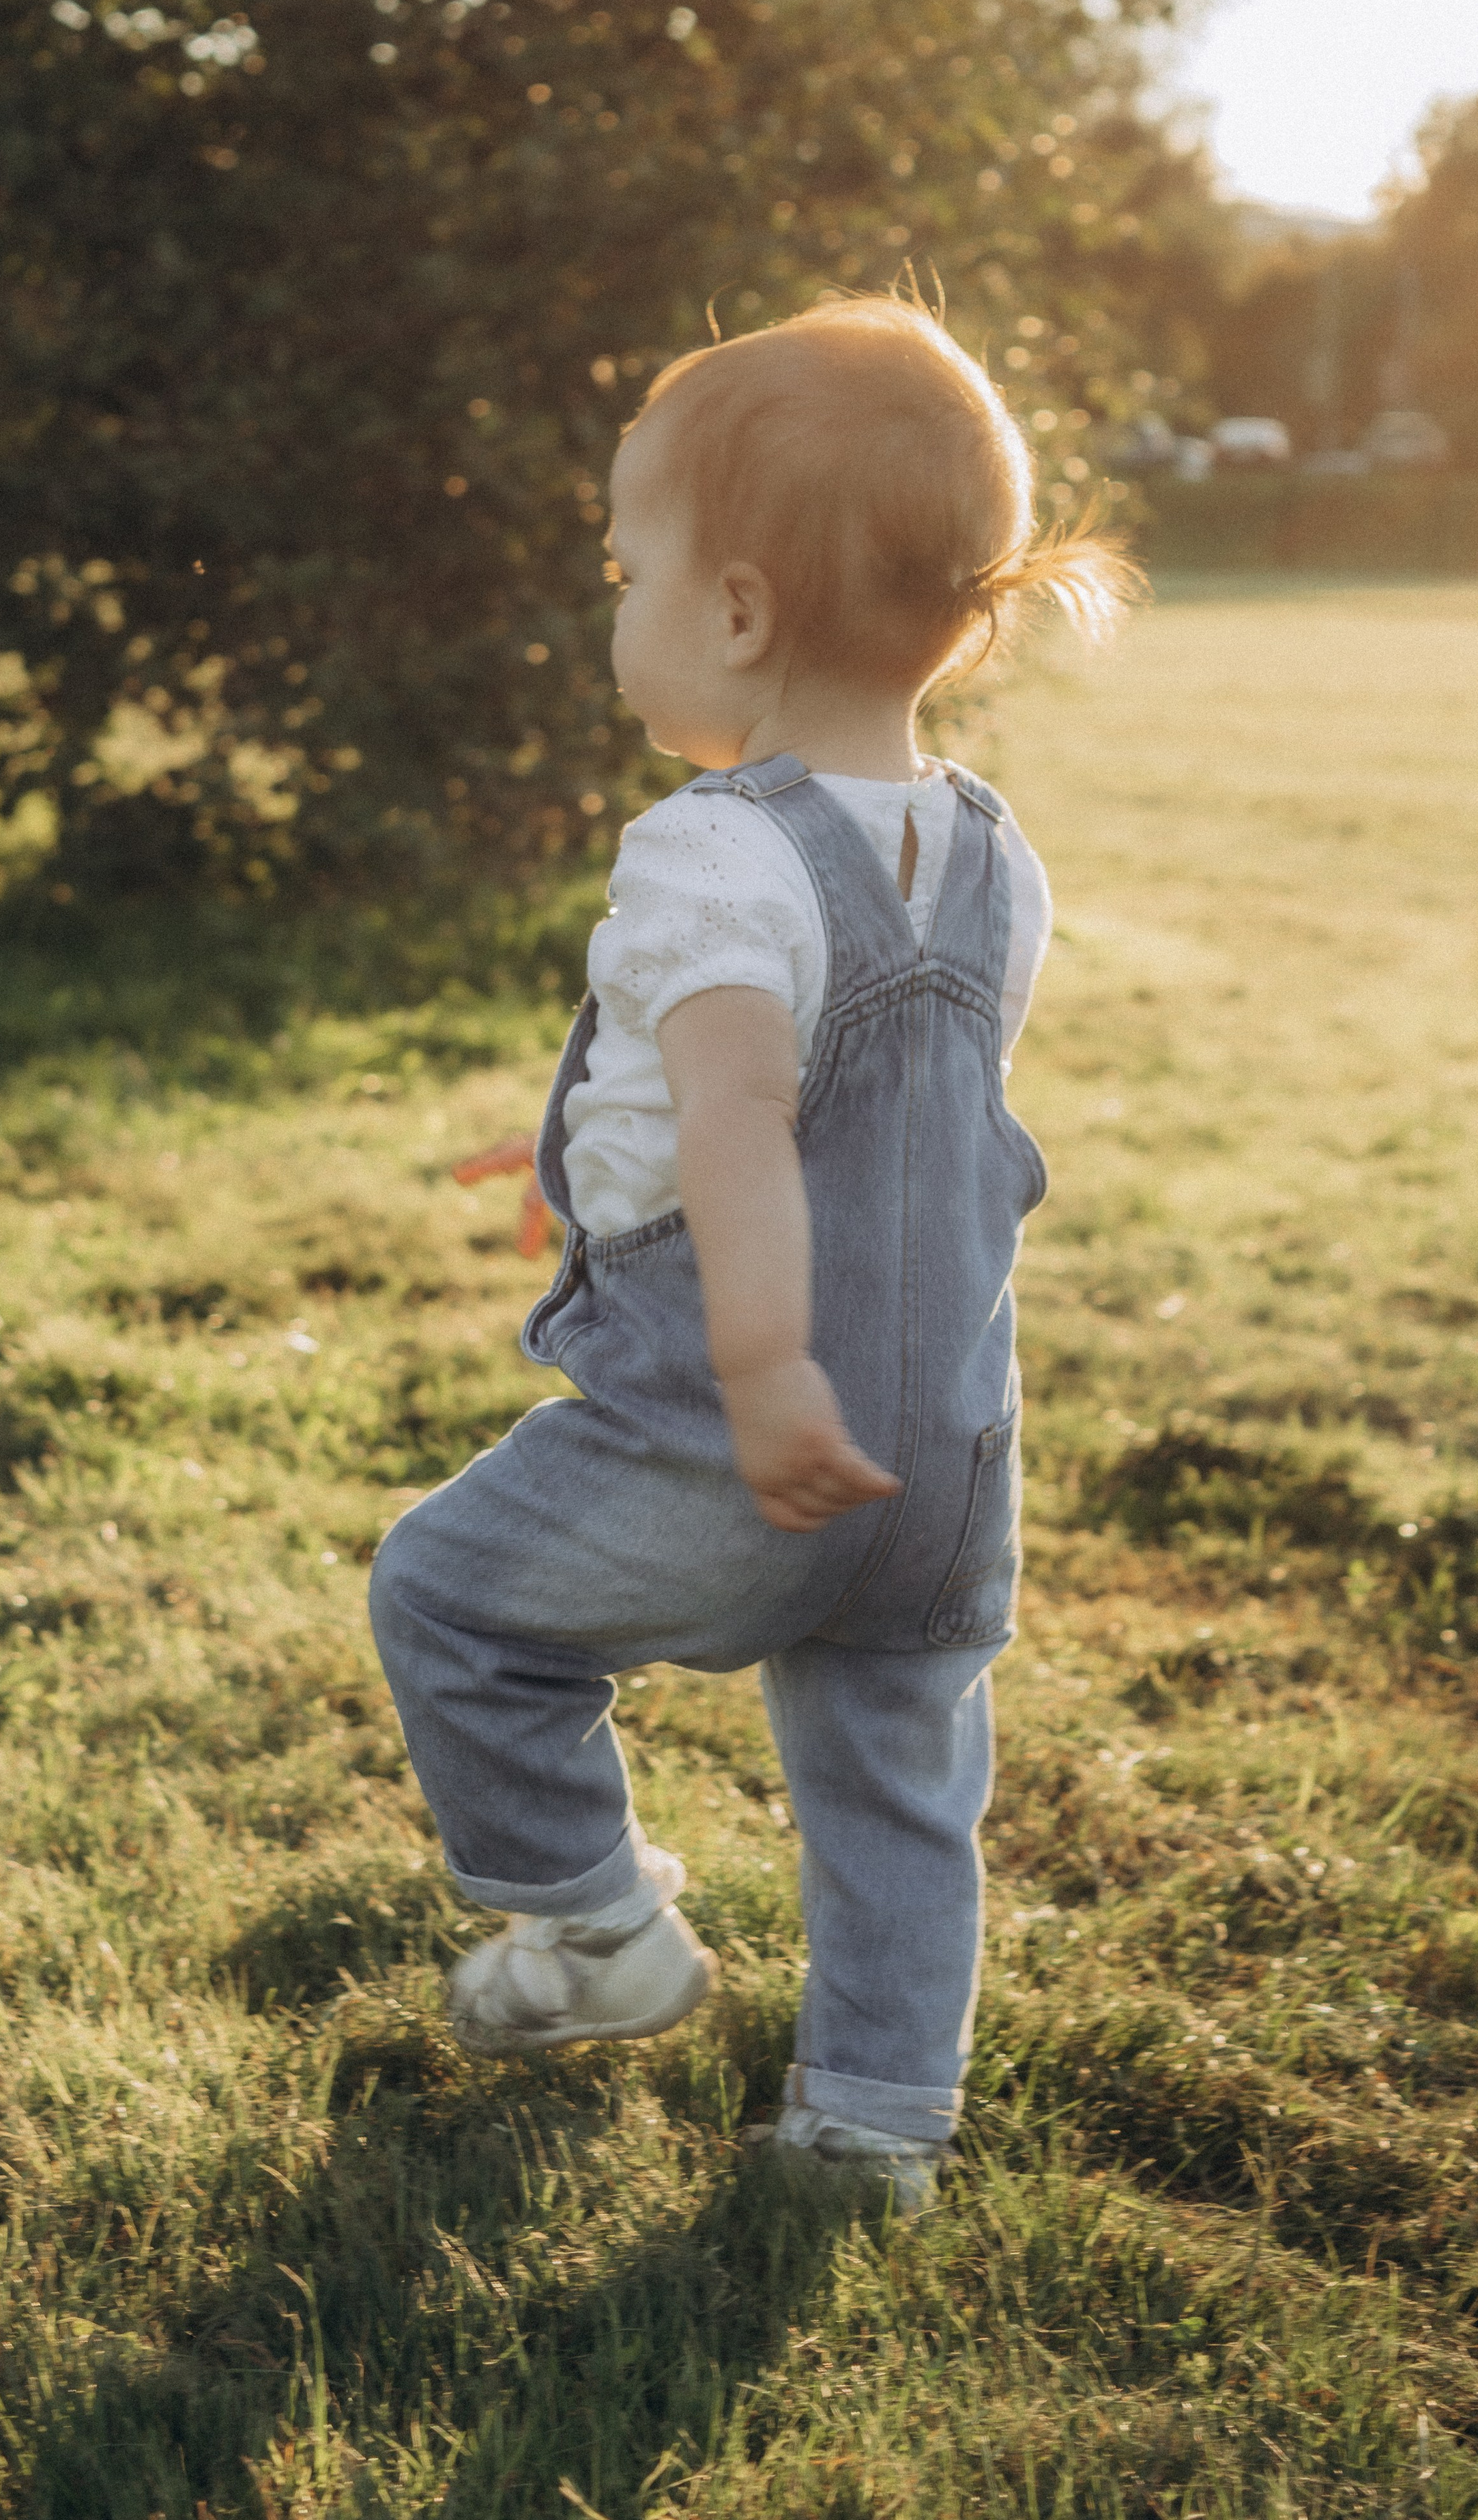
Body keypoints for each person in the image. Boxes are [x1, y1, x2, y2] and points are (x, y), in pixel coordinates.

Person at [370, 289, 1138, 2209]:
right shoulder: (993, 849)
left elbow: (740, 1115)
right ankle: (876, 2124)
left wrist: (766, 1366)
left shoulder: (710, 849)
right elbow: (867, 1118)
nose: (611, 609)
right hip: (949, 1451)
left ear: (730, 615)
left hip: (740, 1426)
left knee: (449, 1600)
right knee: (896, 1772)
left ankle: (596, 1919)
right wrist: (581, 1144)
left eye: (628, 570)